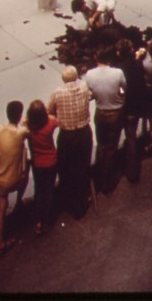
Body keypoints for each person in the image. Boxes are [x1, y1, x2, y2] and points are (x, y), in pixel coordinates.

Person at [47, 66, 93, 219]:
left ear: (63, 79)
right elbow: (90, 95)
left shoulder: (57, 93)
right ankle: (81, 204)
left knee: (65, 170)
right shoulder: (85, 87)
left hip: (67, 136)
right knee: (82, 168)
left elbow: (49, 111)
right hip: (84, 133)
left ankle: (68, 203)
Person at [84, 47, 126, 194]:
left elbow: (89, 93)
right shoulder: (118, 73)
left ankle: (99, 179)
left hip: (100, 113)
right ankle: (109, 181)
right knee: (112, 146)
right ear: (109, 59)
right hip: (116, 113)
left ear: (96, 57)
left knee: (102, 145)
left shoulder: (89, 74)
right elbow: (124, 89)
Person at [0, 100, 30, 256]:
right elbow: (27, 130)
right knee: (25, 171)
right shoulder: (21, 132)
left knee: (1, 207)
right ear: (19, 115)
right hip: (12, 180)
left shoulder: (0, 129)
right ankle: (19, 199)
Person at [115, 38, 148, 183]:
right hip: (136, 106)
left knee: (119, 138)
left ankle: (122, 171)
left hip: (124, 107)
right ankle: (132, 170)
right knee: (131, 137)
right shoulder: (138, 64)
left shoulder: (119, 69)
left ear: (118, 53)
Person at [25, 100, 59, 234]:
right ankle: (48, 219)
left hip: (38, 163)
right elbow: (54, 119)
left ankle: (39, 221)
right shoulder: (50, 124)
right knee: (49, 190)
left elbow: (24, 122)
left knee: (39, 191)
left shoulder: (29, 128)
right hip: (51, 161)